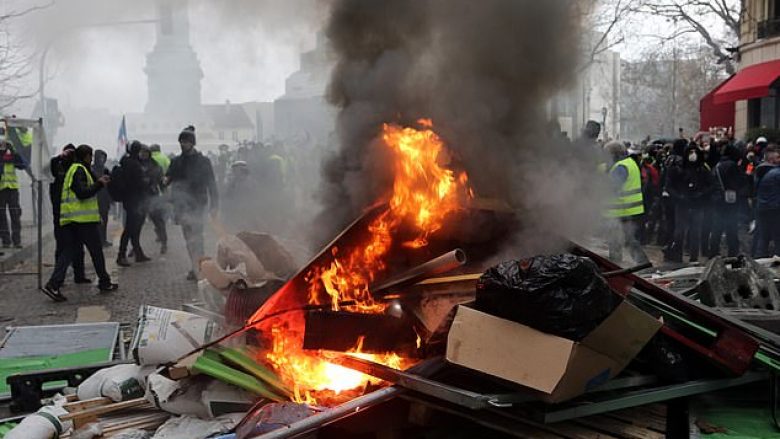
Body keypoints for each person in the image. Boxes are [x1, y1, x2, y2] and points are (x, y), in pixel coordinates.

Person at [41, 145, 118, 301]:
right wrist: (99, 184)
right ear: (87, 157)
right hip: (83, 221)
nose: (92, 160)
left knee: (68, 252)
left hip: (71, 219)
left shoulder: (75, 169)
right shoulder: (78, 170)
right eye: (90, 157)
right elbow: (83, 193)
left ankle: (54, 284)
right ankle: (104, 282)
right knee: (96, 252)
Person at [165, 126, 218, 280]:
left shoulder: (203, 161)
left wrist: (215, 205)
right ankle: (194, 266)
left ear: (192, 143)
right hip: (182, 205)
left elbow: (212, 184)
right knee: (188, 238)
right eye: (181, 141)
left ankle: (200, 267)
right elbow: (168, 179)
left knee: (197, 237)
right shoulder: (176, 162)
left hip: (198, 204)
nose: (183, 144)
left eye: (186, 141)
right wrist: (164, 181)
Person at [665, 143, 714, 263]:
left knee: (695, 233)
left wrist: (702, 194)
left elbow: (712, 185)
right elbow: (669, 186)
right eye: (690, 152)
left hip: (697, 205)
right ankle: (677, 255)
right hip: (682, 205)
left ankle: (693, 258)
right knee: (680, 232)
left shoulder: (702, 169)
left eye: (695, 152)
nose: (693, 155)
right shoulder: (678, 169)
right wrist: (679, 196)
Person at [603, 141, 650, 265]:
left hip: (623, 211)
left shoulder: (621, 167)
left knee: (620, 240)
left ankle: (619, 266)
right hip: (630, 210)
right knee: (628, 240)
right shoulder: (629, 163)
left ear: (614, 154)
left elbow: (612, 186)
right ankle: (641, 264)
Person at [50, 144, 88, 283]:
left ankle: (80, 275)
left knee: (78, 245)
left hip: (75, 214)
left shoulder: (75, 169)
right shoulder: (58, 170)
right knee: (62, 246)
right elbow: (52, 166)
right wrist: (60, 157)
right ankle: (58, 278)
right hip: (60, 214)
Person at [707, 143, 746, 258]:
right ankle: (732, 253)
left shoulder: (718, 165)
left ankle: (713, 253)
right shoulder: (732, 165)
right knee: (731, 227)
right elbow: (739, 182)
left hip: (717, 200)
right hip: (729, 201)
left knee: (717, 228)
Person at [117, 141, 151, 266]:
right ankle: (121, 255)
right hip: (135, 200)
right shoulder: (134, 165)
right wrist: (147, 181)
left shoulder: (126, 162)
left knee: (134, 228)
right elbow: (139, 183)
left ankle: (138, 252)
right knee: (130, 228)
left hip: (130, 200)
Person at [139, 144, 167, 254]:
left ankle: (164, 242)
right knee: (137, 224)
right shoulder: (137, 165)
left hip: (152, 196)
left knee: (159, 221)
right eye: (141, 152)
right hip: (140, 197)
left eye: (145, 152)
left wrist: (164, 194)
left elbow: (161, 182)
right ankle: (134, 246)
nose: (143, 154)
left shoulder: (155, 166)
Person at [0, 141, 26, 248]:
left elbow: (23, 165)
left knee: (15, 215)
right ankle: (6, 240)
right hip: (1, 189)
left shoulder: (12, 155)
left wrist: (14, 153)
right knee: (1, 216)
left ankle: (17, 240)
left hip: (13, 188)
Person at [755, 146, 780, 257]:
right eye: (778, 157)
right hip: (774, 208)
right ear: (771, 160)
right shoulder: (776, 173)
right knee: (778, 237)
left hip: (761, 207)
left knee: (763, 236)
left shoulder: (759, 172)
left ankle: (759, 259)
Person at [92, 149, 112, 248]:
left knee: (104, 221)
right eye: (100, 157)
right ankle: (97, 241)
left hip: (104, 199)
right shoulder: (91, 169)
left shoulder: (106, 170)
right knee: (96, 223)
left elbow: (111, 185)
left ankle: (103, 240)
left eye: (103, 157)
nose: (102, 159)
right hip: (94, 199)